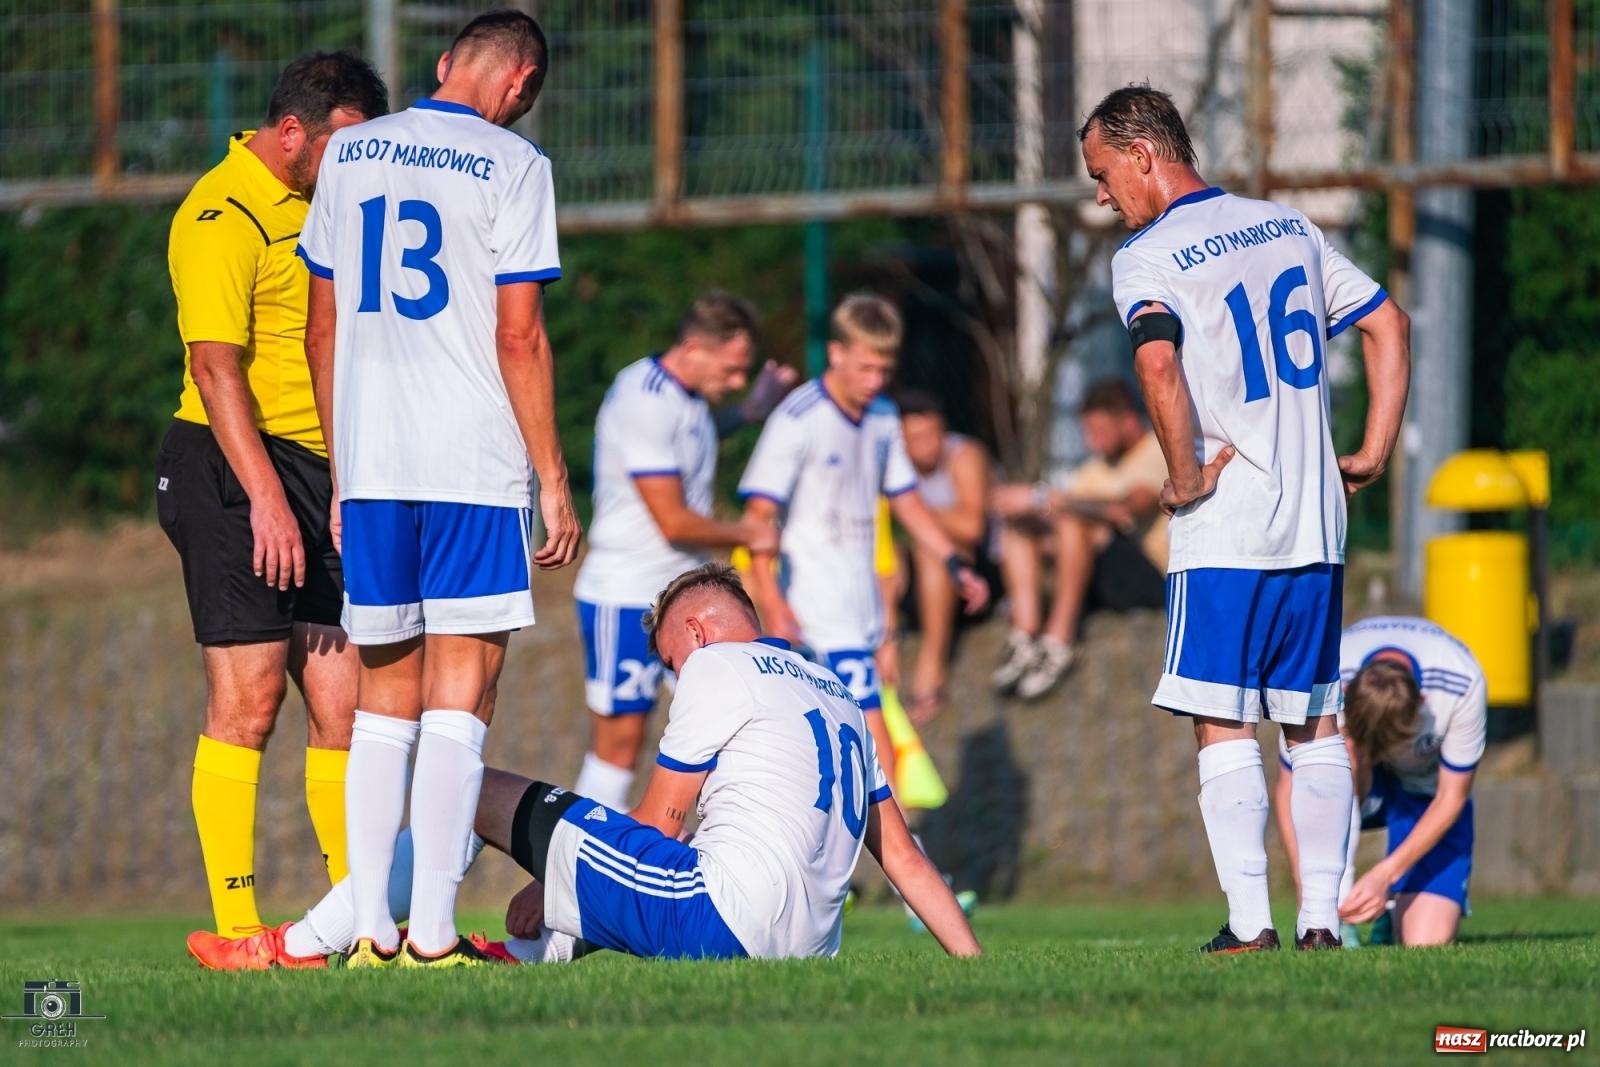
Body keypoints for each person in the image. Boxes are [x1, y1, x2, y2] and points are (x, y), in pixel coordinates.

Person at [185, 563, 983, 969]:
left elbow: (659, 827)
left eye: (671, 660)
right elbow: (905, 857)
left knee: (468, 788)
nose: (676, 677)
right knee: (590, 858)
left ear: (697, 637)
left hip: (716, 919)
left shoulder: (717, 668)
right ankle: (508, 959)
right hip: (804, 951)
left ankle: (298, 945)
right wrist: (973, 967)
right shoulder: (836, 689)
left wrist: (553, 876)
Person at [1078, 84, 1410, 951]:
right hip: (1315, 519)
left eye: (1104, 174)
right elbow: (1388, 322)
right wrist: (1373, 448)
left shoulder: (1147, 255)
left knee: (1221, 717)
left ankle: (1250, 922)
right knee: (1313, 717)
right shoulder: (1288, 225)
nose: (1102, 196)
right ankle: (1321, 922)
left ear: (1144, 155)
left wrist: (1184, 476)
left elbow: (1158, 368)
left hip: (1228, 525)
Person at [297, 10, 581, 967]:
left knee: (384, 700)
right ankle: (428, 933)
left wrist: (343, 468)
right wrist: (552, 477)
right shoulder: (515, 165)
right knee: (464, 692)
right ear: (520, 83)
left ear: (445, 62)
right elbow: (519, 336)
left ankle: (370, 927)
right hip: (469, 460)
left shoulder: (351, 152)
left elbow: (320, 329)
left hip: (374, 463)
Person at [155, 51, 388, 938]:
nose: (356, 163)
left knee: (348, 708)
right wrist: (266, 498)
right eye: (345, 144)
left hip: (322, 473)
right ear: (292, 131)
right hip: (232, 468)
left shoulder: (332, 202)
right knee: (248, 705)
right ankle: (236, 926)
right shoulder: (221, 214)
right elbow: (215, 371)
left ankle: (358, 922)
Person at [737, 293, 989, 790]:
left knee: (832, 764)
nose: (875, 381)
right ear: (836, 354)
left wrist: (954, 565)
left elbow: (907, 502)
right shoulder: (797, 418)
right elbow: (758, 519)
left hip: (862, 615)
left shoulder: (881, 418)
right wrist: (773, 602)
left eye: (883, 370)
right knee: (876, 750)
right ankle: (904, 863)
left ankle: (851, 867)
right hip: (815, 615)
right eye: (866, 368)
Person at [571, 291, 793, 812]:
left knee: (736, 727)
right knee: (620, 744)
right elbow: (671, 519)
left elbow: (692, 439)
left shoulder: (687, 400)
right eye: (733, 369)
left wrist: (750, 411)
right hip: (627, 595)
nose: (737, 381)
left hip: (683, 597)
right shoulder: (644, 398)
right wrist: (748, 533)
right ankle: (569, 867)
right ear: (694, 348)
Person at [1274, 616, 1486, 947]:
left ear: (1423, 705)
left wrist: (1384, 876)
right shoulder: (1323, 671)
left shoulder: (1461, 681)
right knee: (1337, 754)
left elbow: (1452, 797)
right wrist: (1308, 889)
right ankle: (1339, 911)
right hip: (1359, 782)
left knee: (1425, 943)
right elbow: (1291, 788)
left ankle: (1389, 908)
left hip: (1425, 793)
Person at [989, 377, 1168, 702]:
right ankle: (1025, 635)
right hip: (1106, 573)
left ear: (1127, 421)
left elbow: (1124, 511)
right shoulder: (1094, 469)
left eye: (1099, 431)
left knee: (1073, 520)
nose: (1091, 442)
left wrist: (1042, 498)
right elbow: (1057, 517)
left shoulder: (1157, 451)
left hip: (1152, 572)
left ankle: (1059, 640)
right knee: (1023, 526)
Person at [892, 390, 992, 724]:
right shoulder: (890, 464)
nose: (930, 444)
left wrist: (912, 509)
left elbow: (972, 526)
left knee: (931, 548)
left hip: (976, 571)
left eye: (936, 434)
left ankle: (931, 668)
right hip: (912, 578)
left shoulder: (963, 454)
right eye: (917, 438)